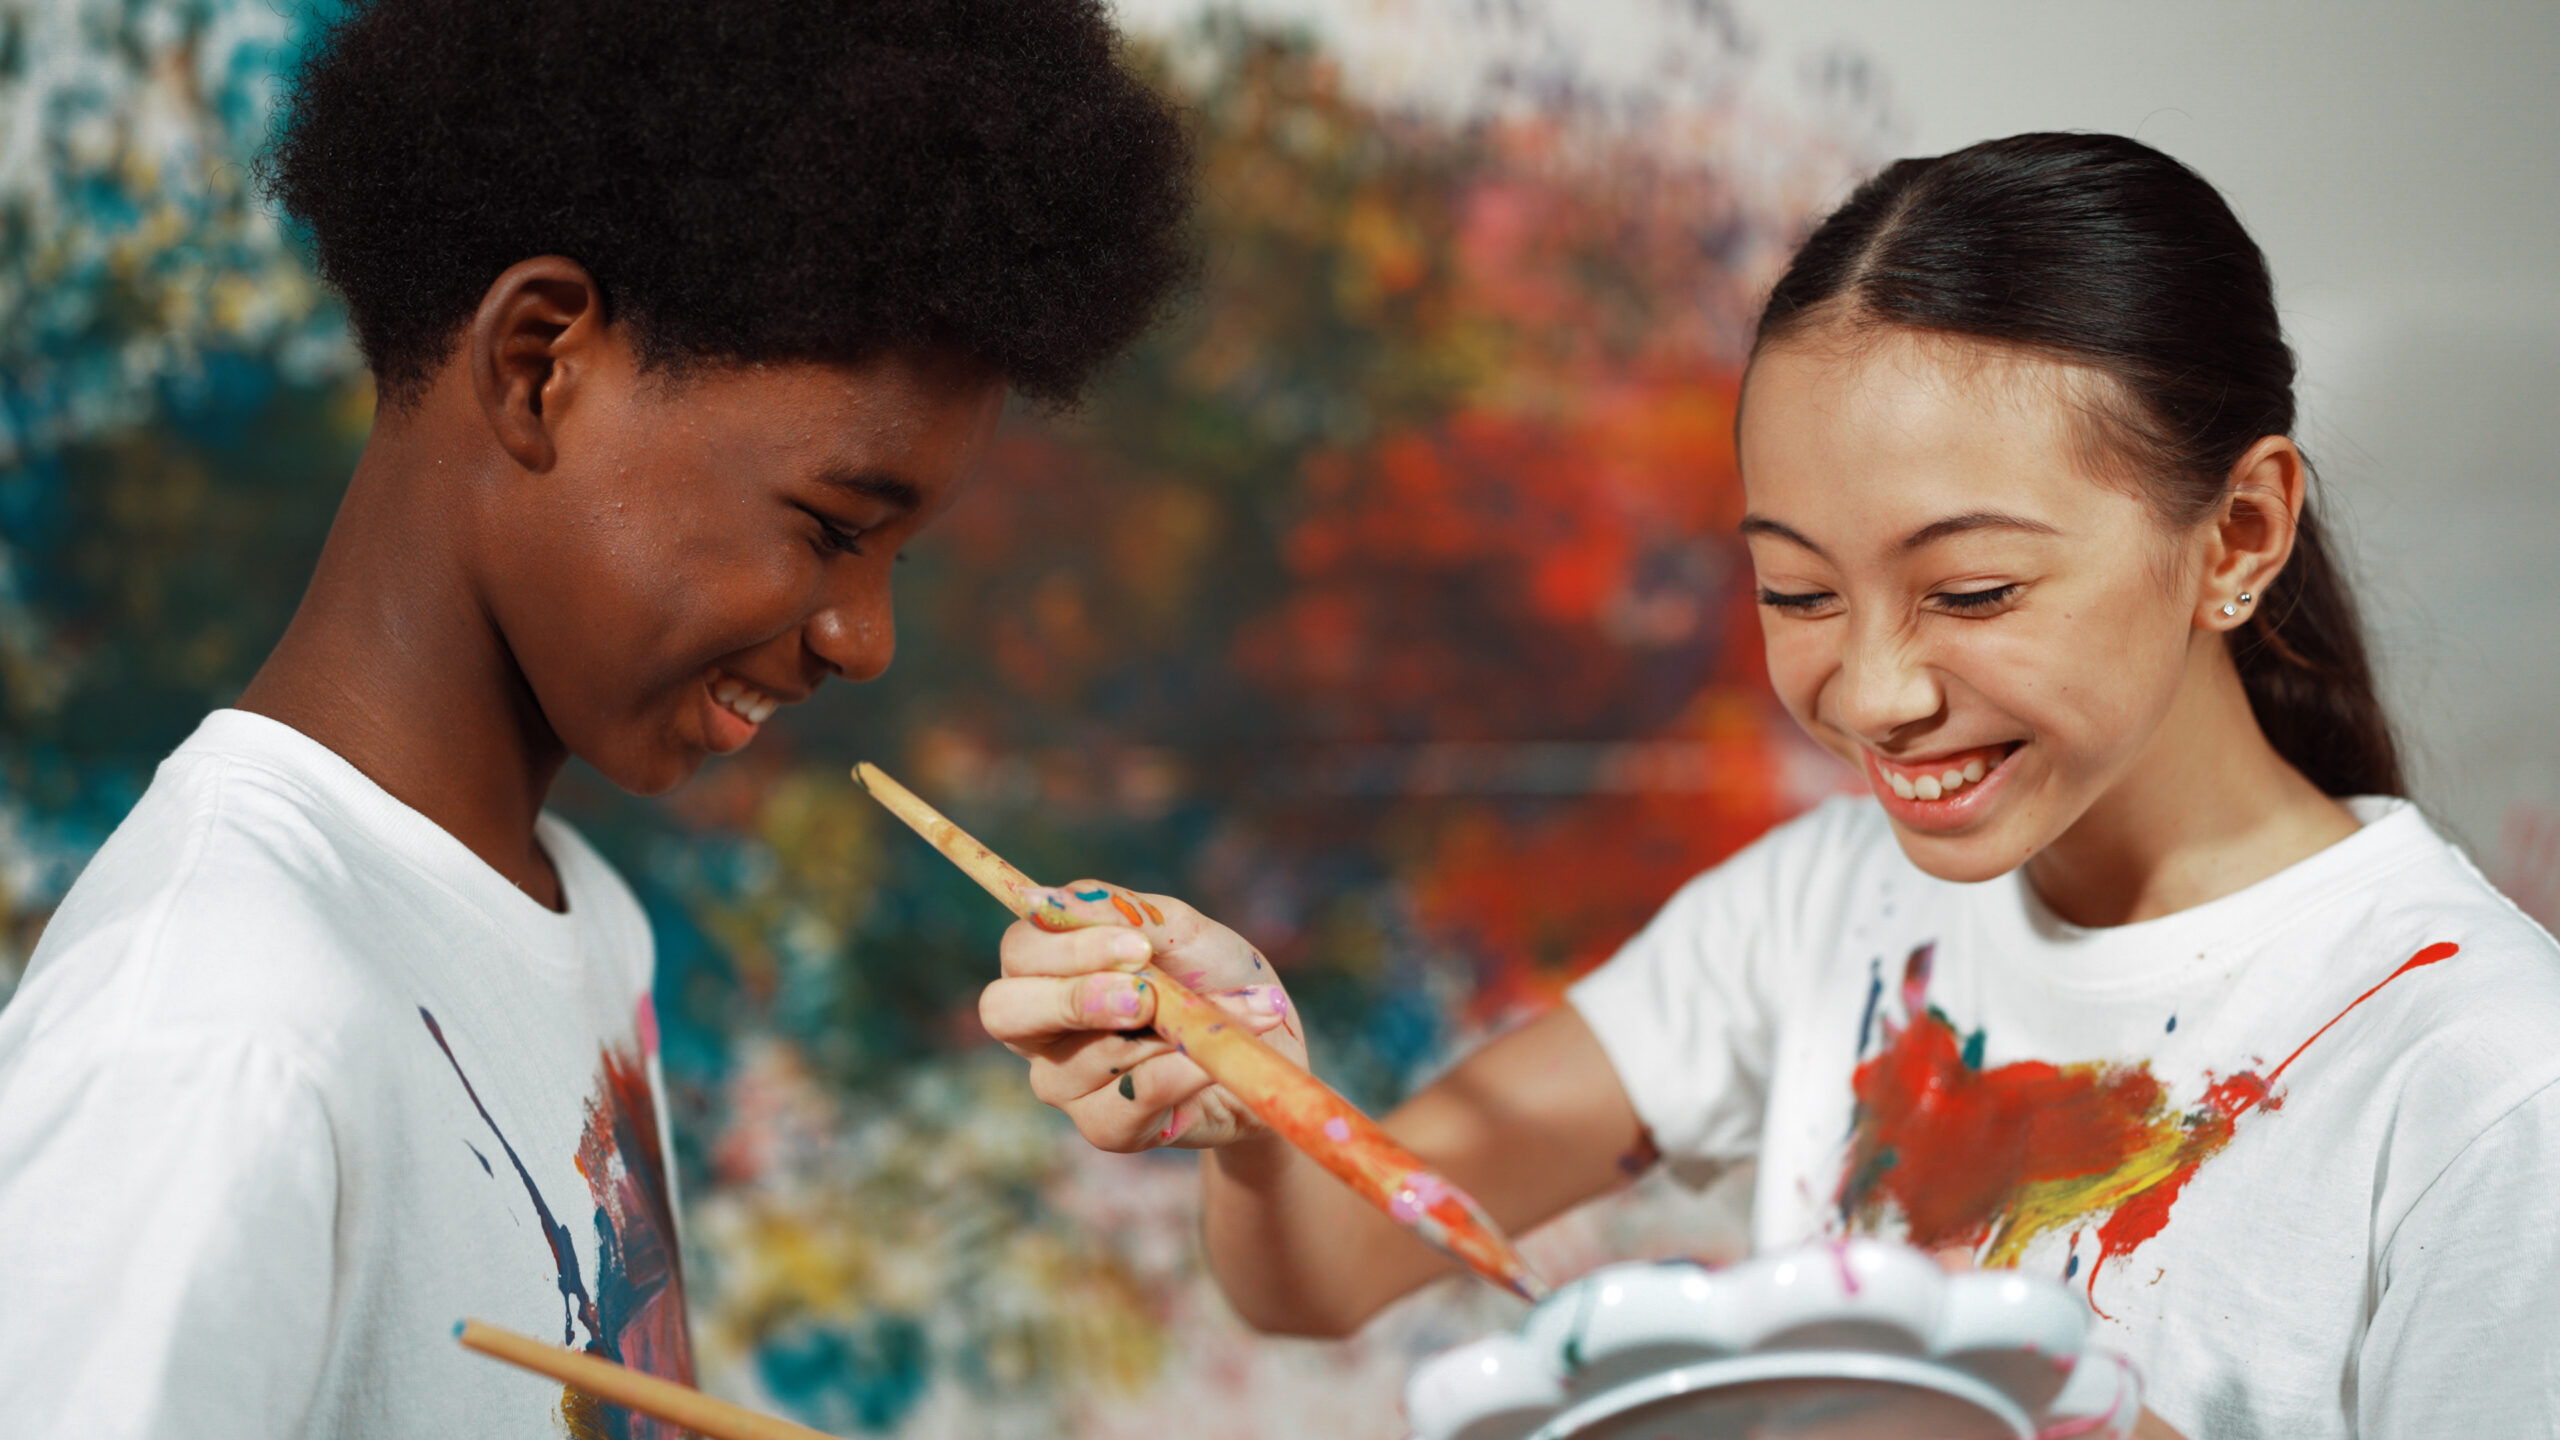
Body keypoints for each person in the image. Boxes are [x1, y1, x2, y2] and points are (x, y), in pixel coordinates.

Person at [982, 132, 2560, 1440]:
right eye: (1800, 595)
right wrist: (1250, 1095)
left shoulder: (2486, 1073)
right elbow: (1320, 1269)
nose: (1870, 693)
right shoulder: (1824, 908)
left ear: (2238, 536)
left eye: (1976, 591)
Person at [0, 1, 1188, 1435]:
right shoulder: (215, 1027)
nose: (865, 639)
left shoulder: (578, 918)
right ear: (539, 365)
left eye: (896, 557)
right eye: (827, 527)